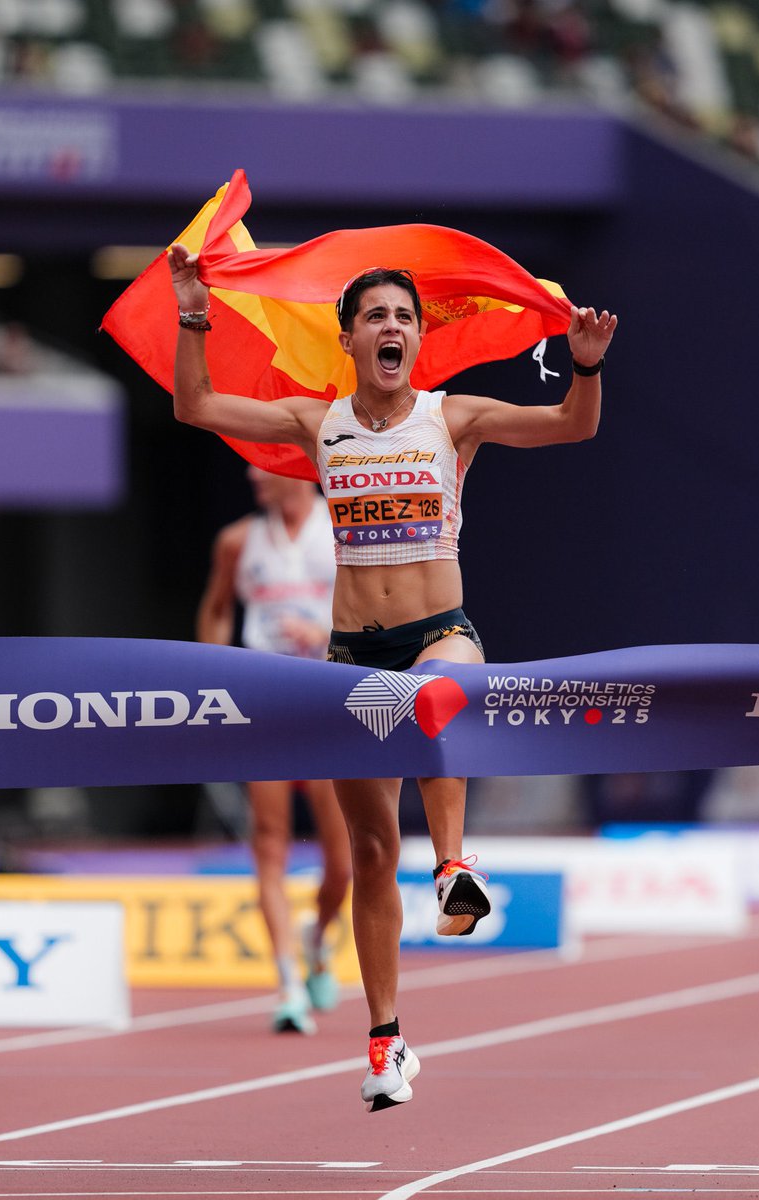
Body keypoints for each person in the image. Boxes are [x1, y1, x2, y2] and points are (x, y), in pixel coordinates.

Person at [169, 244, 617, 1110]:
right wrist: (196, 310)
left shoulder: (455, 418)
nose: (392, 328)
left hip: (440, 634)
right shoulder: (316, 423)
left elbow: (573, 423)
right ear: (349, 339)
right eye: (376, 316)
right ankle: (386, 1042)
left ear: (418, 340)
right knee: (373, 853)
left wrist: (587, 368)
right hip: (350, 657)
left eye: (405, 318)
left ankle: (453, 865)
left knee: (434, 699)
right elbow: (195, 405)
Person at [196, 464, 351, 1036]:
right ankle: (287, 983)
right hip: (263, 704)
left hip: (327, 703)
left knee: (342, 862)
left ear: (295, 466)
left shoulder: (342, 529)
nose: (249, 473)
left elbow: (377, 608)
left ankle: (316, 938)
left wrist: (331, 637)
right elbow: (216, 609)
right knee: (270, 845)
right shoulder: (238, 541)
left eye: (263, 463)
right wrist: (211, 676)